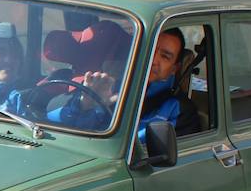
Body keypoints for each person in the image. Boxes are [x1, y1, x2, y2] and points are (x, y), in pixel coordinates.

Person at [29, 28, 196, 135]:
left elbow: (169, 161)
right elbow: (51, 128)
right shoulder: (106, 86)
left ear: (174, 68)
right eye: (150, 49)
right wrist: (85, 104)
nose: (153, 59)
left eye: (165, 56)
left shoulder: (180, 110)